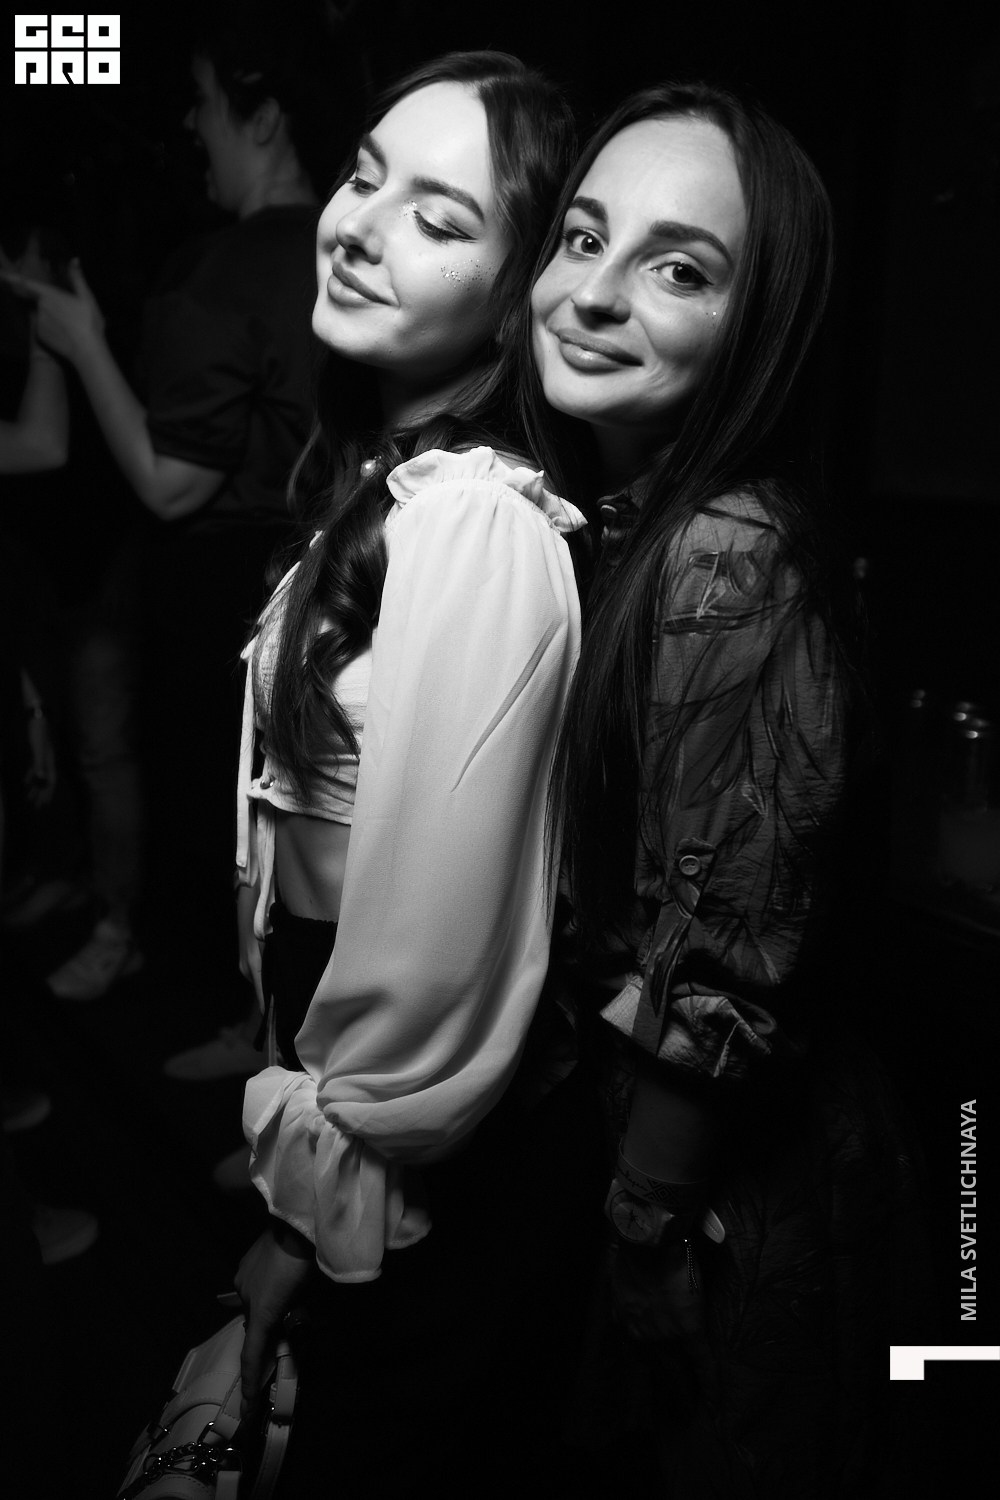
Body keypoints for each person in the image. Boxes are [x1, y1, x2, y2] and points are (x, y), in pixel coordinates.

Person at [521, 82, 930, 1494]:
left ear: (760, 325)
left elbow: (724, 955)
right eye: (583, 239)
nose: (593, 294)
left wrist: (648, 1219)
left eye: (679, 269)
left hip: (735, 1181)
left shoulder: (728, 552)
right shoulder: (617, 521)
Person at [229, 52, 591, 1490]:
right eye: (364, 177)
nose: (361, 226)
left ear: (513, 300)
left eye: (440, 218)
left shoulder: (479, 522)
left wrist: (302, 1216)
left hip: (424, 1164)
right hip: (349, 1097)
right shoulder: (391, 484)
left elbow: (436, 953)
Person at [3, 4, 362, 1009]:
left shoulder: (223, 268)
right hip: (318, 568)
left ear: (263, 117)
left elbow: (171, 483)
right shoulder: (347, 249)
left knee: (222, 807)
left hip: (222, 584)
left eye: (203, 101)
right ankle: (257, 1027)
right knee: (286, 815)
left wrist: (80, 343)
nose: (189, 124)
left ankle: (236, 1022)